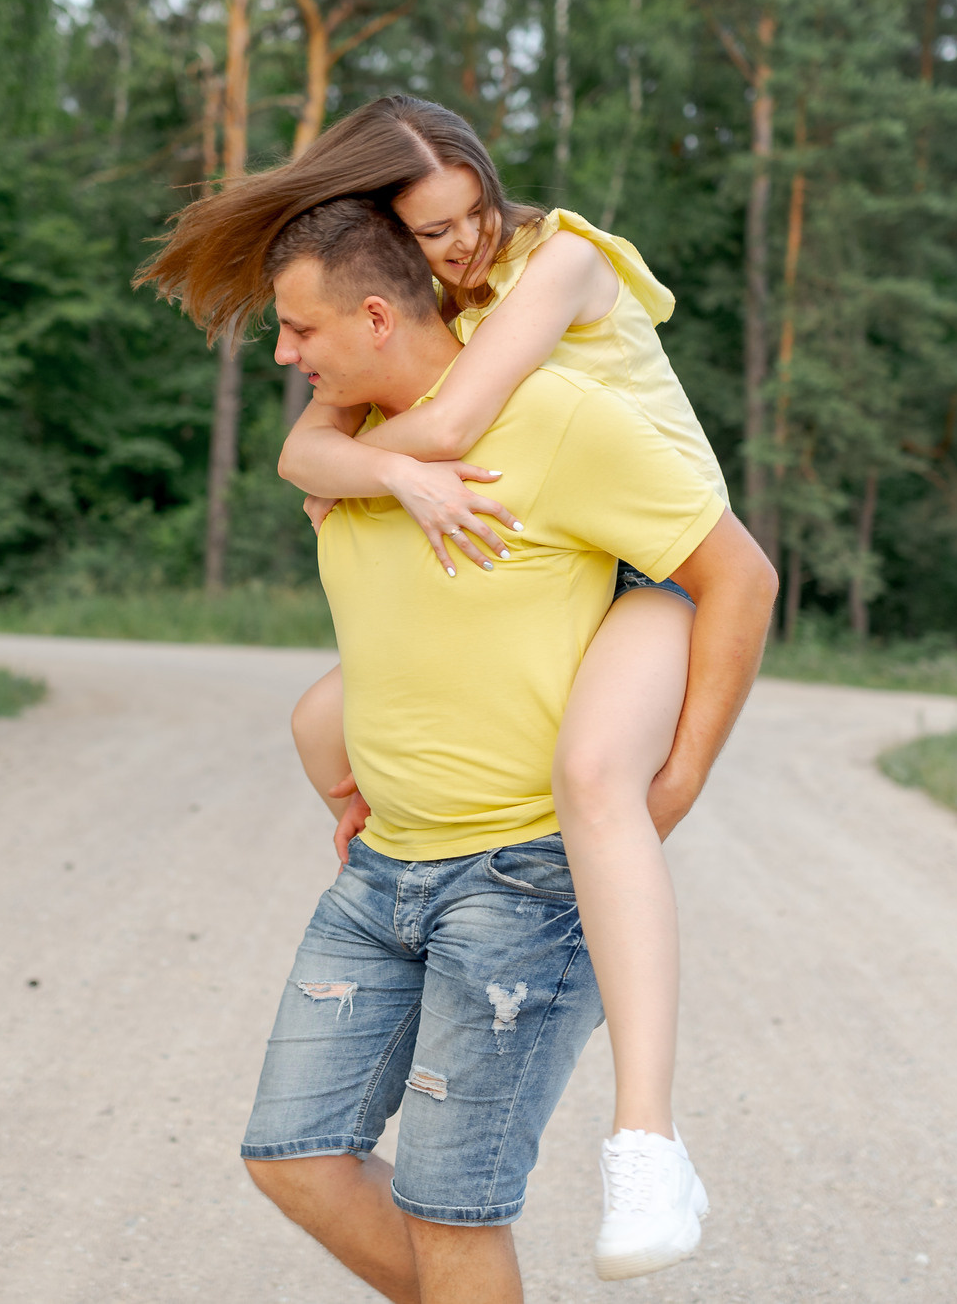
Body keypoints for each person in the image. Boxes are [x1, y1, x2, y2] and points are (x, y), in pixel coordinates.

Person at [140, 94, 734, 1278]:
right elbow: (300, 448)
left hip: (654, 561)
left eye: (469, 213)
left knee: (592, 783)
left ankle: (650, 1136)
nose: (459, 245)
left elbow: (458, 415)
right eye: (429, 233)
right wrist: (361, 462)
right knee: (320, 722)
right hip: (540, 615)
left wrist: (374, 467)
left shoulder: (554, 265)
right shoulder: (398, 347)